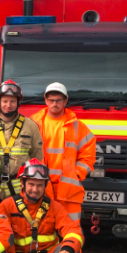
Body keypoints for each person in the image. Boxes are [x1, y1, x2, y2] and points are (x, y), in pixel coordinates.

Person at [31, 83, 95, 223]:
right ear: (46, 100)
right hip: (39, 187)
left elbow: (88, 156)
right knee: (42, 231)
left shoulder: (78, 126)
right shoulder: (33, 124)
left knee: (70, 231)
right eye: (52, 100)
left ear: (65, 101)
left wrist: (76, 174)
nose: (55, 104)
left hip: (68, 190)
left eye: (58, 100)